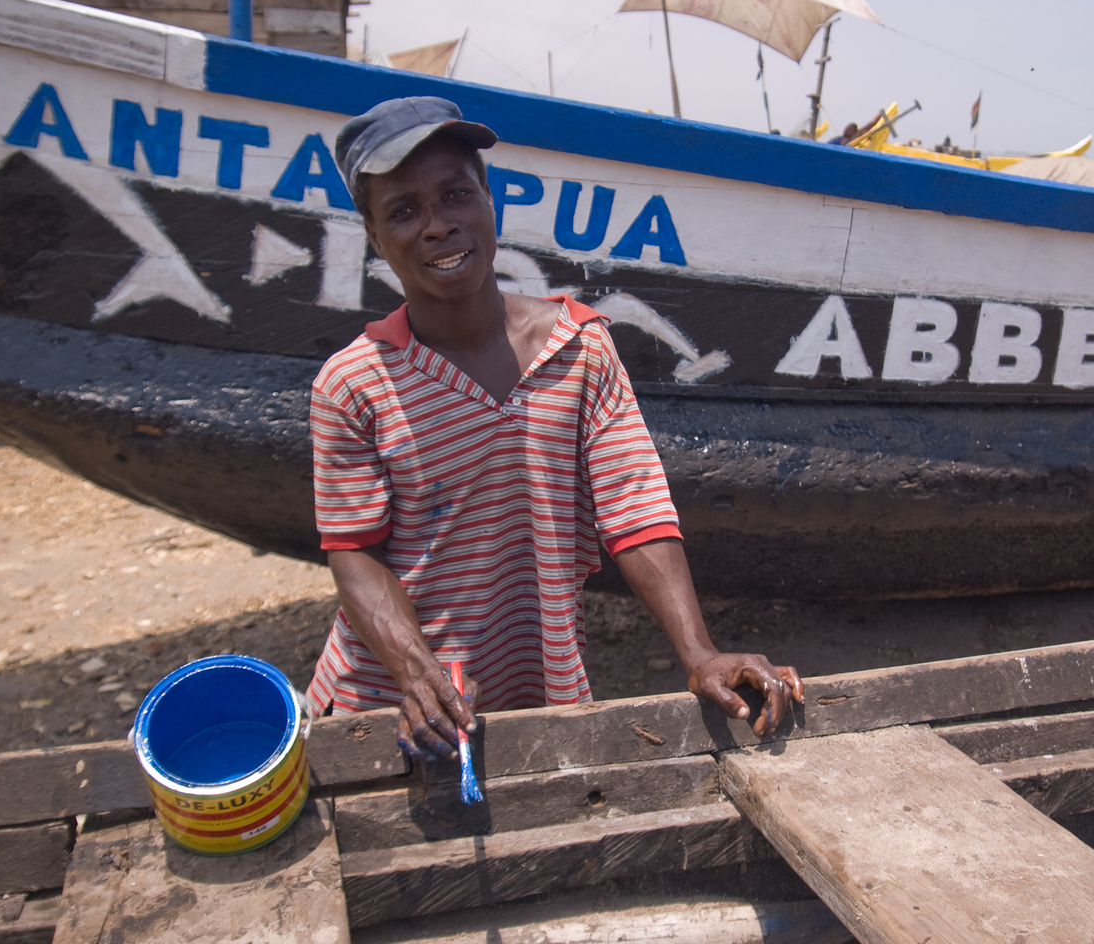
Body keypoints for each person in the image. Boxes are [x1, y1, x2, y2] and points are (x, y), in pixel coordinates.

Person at [306, 96, 803, 761]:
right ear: (374, 237)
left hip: (533, 686)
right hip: (392, 705)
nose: (437, 226)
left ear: (490, 200)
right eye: (403, 211)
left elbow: (635, 508)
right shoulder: (352, 385)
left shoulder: (580, 348)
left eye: (456, 195)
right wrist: (417, 675)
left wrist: (699, 651)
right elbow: (354, 551)